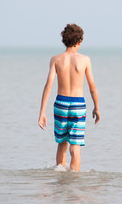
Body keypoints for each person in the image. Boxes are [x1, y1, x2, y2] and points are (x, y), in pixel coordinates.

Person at [38, 23, 100, 172]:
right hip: (78, 104)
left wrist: (42, 112)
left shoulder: (56, 59)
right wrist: (96, 107)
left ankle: (61, 178)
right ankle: (74, 179)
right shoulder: (85, 60)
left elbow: (48, 86)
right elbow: (92, 87)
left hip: (61, 103)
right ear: (80, 41)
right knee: (75, 145)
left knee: (62, 143)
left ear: (64, 40)